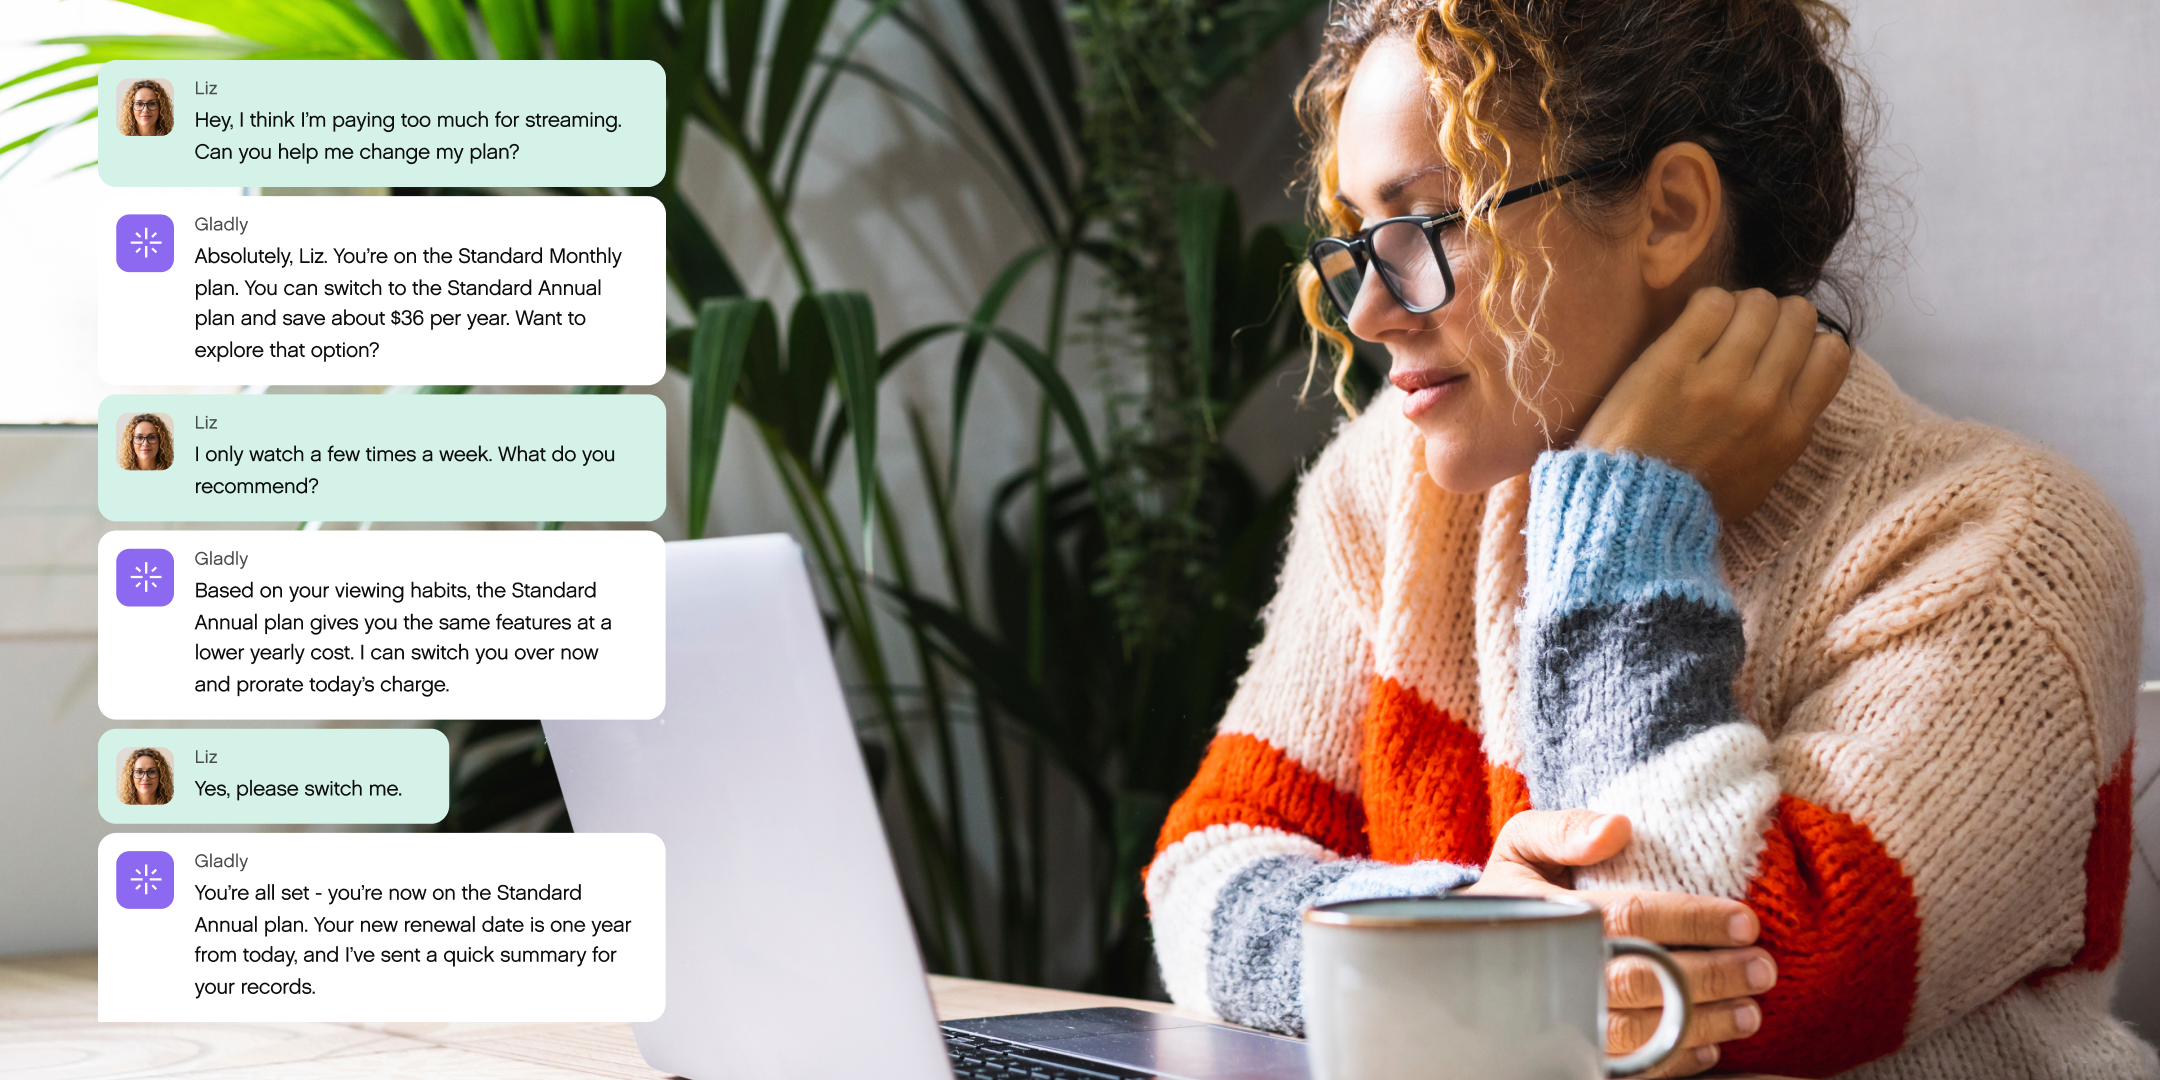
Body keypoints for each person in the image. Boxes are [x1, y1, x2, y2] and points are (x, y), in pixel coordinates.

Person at [1144, 1, 2152, 1077]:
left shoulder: (2005, 547)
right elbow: (1202, 871)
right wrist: (1468, 919)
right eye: (1360, 238)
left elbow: (1702, 1005)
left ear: (1669, 212)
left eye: (1433, 225)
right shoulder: (1388, 492)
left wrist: (1626, 519)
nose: (1370, 314)